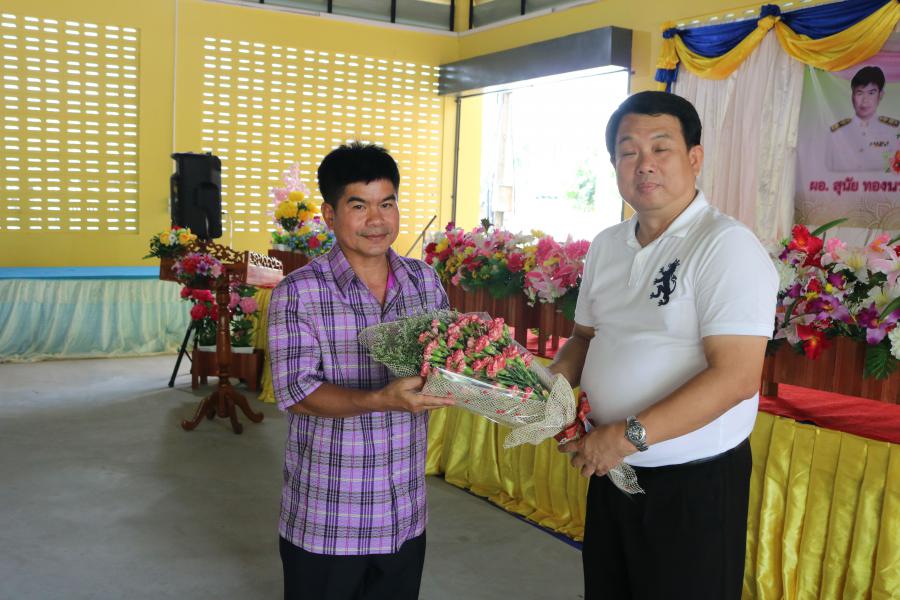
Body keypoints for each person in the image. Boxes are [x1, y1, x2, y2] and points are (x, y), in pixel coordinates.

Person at [550, 91, 778, 600]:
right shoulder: (607, 245)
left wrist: (626, 435)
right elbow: (584, 339)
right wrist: (545, 393)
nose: (644, 164)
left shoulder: (725, 245)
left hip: (691, 487)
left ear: (694, 158)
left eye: (661, 148)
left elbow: (737, 377)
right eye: (628, 151)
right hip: (613, 470)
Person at [267, 142, 454, 600]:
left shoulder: (424, 282)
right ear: (330, 215)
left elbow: (450, 359)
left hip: (404, 516)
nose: (377, 220)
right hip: (330, 520)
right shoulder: (299, 292)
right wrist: (379, 399)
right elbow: (297, 392)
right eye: (359, 206)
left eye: (387, 204)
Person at [826, 65, 899, 172]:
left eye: (871, 93)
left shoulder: (894, 131)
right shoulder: (836, 132)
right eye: (859, 93)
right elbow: (826, 171)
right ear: (852, 96)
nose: (865, 100)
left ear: (881, 95)